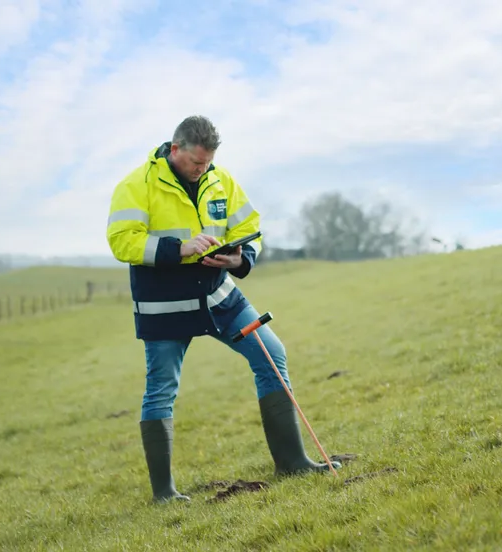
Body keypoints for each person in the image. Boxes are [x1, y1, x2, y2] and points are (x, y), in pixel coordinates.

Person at [106, 115, 341, 503]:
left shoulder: (221, 179)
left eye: (208, 162)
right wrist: (179, 249)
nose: (202, 169)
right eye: (196, 162)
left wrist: (240, 258)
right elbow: (121, 241)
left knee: (272, 355)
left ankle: (292, 462)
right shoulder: (135, 185)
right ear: (175, 149)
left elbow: (248, 227)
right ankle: (164, 494)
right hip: (164, 306)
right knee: (161, 391)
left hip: (219, 295)